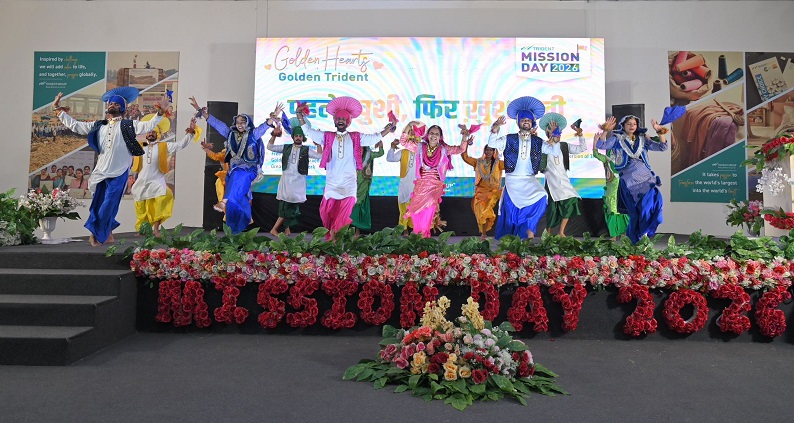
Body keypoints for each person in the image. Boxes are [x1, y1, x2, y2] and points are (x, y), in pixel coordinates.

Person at [52, 90, 169, 246]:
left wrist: (160, 112)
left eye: (116, 104)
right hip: (101, 171)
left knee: (109, 202)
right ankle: (107, 233)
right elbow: (76, 126)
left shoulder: (129, 125)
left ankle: (96, 232)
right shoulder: (99, 125)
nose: (112, 105)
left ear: (122, 108)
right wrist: (58, 110)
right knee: (99, 203)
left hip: (119, 171)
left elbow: (148, 125)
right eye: (111, 103)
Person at [296, 96, 394, 240]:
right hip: (332, 181)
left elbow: (374, 138)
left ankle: (335, 239)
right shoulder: (327, 136)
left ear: (348, 122)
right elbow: (308, 132)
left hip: (349, 182)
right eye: (338, 118)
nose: (341, 120)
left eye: (343, 119)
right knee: (327, 212)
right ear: (334, 121)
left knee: (345, 213)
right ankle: (333, 237)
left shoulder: (356, 137)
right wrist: (299, 115)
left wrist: (388, 129)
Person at [190, 96, 281, 234]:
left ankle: (223, 202)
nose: (240, 125)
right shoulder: (230, 134)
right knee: (239, 199)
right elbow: (217, 124)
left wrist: (273, 117)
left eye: (243, 122)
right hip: (234, 171)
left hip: (249, 170)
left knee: (238, 177)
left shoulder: (253, 134)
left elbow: (263, 127)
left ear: (247, 123)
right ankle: (237, 228)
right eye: (238, 122)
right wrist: (200, 110)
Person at [596, 115, 668, 244]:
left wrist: (659, 131)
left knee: (650, 205)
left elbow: (663, 147)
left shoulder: (643, 139)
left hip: (646, 178)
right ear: (623, 126)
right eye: (629, 124)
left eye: (634, 124)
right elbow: (601, 145)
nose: (632, 126)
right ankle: (637, 239)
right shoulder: (617, 139)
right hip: (629, 180)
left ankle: (644, 234)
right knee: (635, 212)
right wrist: (605, 130)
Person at [488, 96, 548, 240]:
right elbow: (492, 144)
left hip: (529, 179)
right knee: (511, 211)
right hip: (513, 180)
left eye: (528, 120)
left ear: (532, 122)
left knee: (542, 196)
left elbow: (553, 150)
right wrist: (495, 129)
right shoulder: (509, 138)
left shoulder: (538, 141)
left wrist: (554, 134)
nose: (526, 121)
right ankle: (510, 239)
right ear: (518, 122)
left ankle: (528, 228)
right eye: (523, 119)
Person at [130, 115, 200, 237]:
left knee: (161, 200)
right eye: (149, 132)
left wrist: (190, 132)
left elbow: (180, 145)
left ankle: (156, 229)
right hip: (141, 180)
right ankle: (142, 230)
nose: (151, 134)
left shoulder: (164, 146)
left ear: (158, 134)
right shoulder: (139, 146)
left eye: (153, 132)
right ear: (146, 134)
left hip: (157, 179)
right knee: (140, 206)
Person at [399, 121, 472, 238]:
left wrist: (464, 137)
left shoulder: (444, 149)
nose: (434, 136)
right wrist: (409, 125)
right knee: (417, 214)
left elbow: (460, 149)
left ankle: (424, 236)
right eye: (432, 133)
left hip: (434, 186)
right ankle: (419, 238)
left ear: (440, 137)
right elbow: (403, 142)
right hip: (421, 186)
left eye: (437, 134)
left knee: (429, 210)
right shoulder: (420, 147)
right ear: (427, 135)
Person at [266, 117, 322, 236]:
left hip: (299, 181)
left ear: (303, 137)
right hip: (287, 180)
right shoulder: (286, 147)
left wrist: (318, 144)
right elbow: (270, 147)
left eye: (300, 136)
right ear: (293, 137)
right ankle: (275, 229)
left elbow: (319, 156)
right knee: (286, 205)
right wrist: (274, 135)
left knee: (292, 205)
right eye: (296, 136)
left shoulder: (306, 149)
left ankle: (286, 229)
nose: (298, 138)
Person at [538, 113, 587, 237]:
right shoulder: (543, 146)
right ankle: (548, 234)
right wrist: (551, 137)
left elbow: (582, 148)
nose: (558, 135)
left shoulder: (564, 146)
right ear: (548, 132)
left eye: (559, 132)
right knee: (552, 209)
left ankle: (561, 232)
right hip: (551, 182)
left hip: (564, 181)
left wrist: (580, 134)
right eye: (555, 132)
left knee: (571, 201)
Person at [461, 144, 504, 239]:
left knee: (487, 211)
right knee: (480, 213)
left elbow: (511, 165)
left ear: (494, 152)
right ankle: (483, 233)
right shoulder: (478, 162)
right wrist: (465, 143)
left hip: (492, 192)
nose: (488, 152)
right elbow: (465, 157)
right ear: (484, 151)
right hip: (480, 192)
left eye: (491, 150)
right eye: (487, 150)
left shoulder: (498, 163)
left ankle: (484, 234)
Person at [591, 132, 629, 239]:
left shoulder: (625, 157)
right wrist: (595, 140)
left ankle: (622, 232)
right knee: (611, 210)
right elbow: (596, 154)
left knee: (622, 211)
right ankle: (614, 234)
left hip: (622, 188)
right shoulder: (607, 158)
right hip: (610, 189)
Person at [351, 141, 385, 235]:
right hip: (351, 183)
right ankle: (348, 230)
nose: (360, 149)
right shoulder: (350, 154)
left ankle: (357, 231)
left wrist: (381, 145)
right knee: (349, 206)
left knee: (360, 205)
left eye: (362, 147)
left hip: (364, 184)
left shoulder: (369, 154)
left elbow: (380, 153)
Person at [385, 138, 416, 234]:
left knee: (416, 209)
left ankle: (415, 231)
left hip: (418, 185)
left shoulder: (421, 153)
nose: (413, 141)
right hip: (405, 185)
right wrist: (392, 147)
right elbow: (390, 158)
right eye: (411, 138)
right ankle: (404, 229)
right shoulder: (403, 152)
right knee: (404, 209)